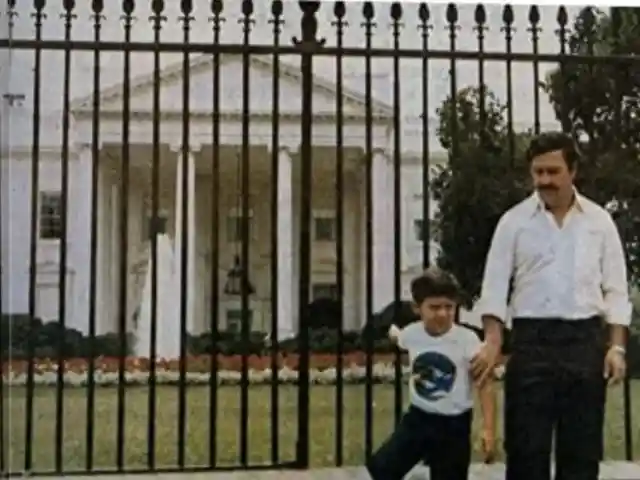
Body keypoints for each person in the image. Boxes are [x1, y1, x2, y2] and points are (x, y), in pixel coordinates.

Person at [472, 132, 630, 480]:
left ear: (573, 171)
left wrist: (616, 346)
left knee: (582, 451)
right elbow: (495, 286)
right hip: (532, 344)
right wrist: (494, 341)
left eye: (552, 172)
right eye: (538, 172)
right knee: (527, 450)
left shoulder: (600, 222)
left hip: (584, 343)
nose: (544, 180)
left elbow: (616, 289)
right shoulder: (513, 223)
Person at [366, 267, 497, 480]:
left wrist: (488, 429)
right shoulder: (412, 334)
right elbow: (397, 337)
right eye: (434, 307)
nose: (443, 314)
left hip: (454, 424)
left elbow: (485, 383)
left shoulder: (467, 340)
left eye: (449, 307)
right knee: (382, 469)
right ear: (418, 308)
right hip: (419, 418)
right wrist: (388, 330)